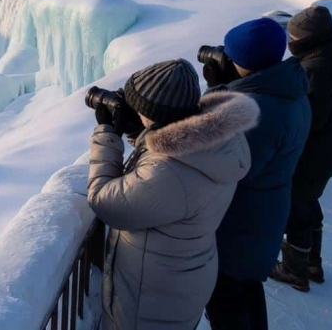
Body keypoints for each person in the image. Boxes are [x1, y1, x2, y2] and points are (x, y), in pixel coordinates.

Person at [87, 59, 258, 329]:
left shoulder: (169, 171)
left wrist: (107, 134)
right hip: (182, 277)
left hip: (151, 297)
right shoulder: (214, 141)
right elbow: (164, 151)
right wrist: (140, 132)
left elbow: (104, 201)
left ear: (152, 113)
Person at [202, 17, 312, 330]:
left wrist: (216, 94)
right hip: (266, 212)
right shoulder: (291, 91)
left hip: (240, 222)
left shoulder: (255, 112)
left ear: (245, 61)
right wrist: (229, 88)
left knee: (226, 300)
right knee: (247, 288)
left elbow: (225, 166)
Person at [270, 6, 332, 291]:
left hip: (310, 153)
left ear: (308, 40)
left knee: (298, 207)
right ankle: (311, 263)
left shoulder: (317, 69)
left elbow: (309, 119)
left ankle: (296, 270)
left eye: (293, 36)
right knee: (308, 202)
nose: (290, 41)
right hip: (327, 149)